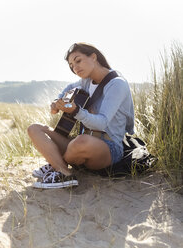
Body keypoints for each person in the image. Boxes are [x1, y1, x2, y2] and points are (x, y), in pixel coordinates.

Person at [27, 42, 134, 189]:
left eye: (78, 61)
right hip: (79, 145)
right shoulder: (86, 81)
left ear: (94, 57)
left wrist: (76, 111)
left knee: (81, 142)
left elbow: (101, 123)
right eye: (71, 65)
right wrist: (56, 103)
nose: (75, 68)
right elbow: (69, 88)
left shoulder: (117, 84)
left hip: (109, 148)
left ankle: (56, 163)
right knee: (34, 129)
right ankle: (64, 172)